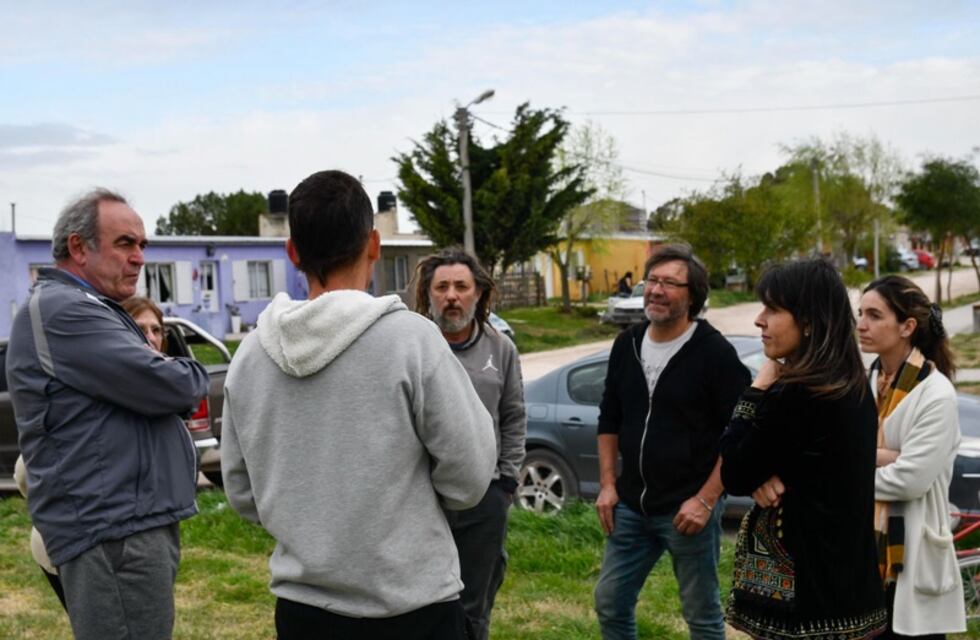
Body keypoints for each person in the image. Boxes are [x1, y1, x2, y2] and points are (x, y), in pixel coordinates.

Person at [220, 170, 496, 640]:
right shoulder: (411, 340)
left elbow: (242, 493)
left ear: (292, 252)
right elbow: (469, 477)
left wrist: (309, 519)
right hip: (412, 606)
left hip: (303, 608)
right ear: (374, 244)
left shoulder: (250, 355)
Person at [5, 189, 210, 640]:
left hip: (124, 526)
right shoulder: (67, 311)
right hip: (114, 534)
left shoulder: (86, 309)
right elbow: (173, 386)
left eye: (142, 245)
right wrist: (188, 368)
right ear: (78, 247)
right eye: (124, 244)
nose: (138, 258)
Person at [720, 258, 886, 639]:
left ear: (809, 321)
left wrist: (756, 389)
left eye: (773, 309)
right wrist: (761, 474)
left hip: (803, 606)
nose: (760, 319)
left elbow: (733, 468)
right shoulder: (850, 386)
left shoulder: (798, 393)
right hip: (848, 595)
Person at [593, 243, 751, 640]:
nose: (656, 290)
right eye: (652, 280)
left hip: (687, 510)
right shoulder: (626, 343)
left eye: (670, 283)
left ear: (693, 295)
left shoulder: (714, 353)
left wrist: (705, 499)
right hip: (630, 506)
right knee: (610, 602)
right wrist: (609, 485)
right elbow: (609, 417)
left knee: (701, 615)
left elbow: (740, 436)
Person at [413, 248, 526, 640]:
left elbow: (513, 416)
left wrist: (507, 480)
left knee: (474, 603)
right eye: (441, 287)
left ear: (479, 293)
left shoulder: (501, 348)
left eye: (461, 286)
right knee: (425, 601)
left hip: (485, 498)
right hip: (424, 500)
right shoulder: (413, 348)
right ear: (428, 294)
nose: (451, 296)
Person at [858, 275, 966, 638]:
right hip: (862, 552)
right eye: (860, 313)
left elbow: (909, 480)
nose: (861, 324)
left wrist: (846, 473)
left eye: (874, 315)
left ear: (907, 326)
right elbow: (836, 449)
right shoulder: (865, 383)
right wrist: (885, 456)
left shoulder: (935, 394)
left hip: (909, 555)